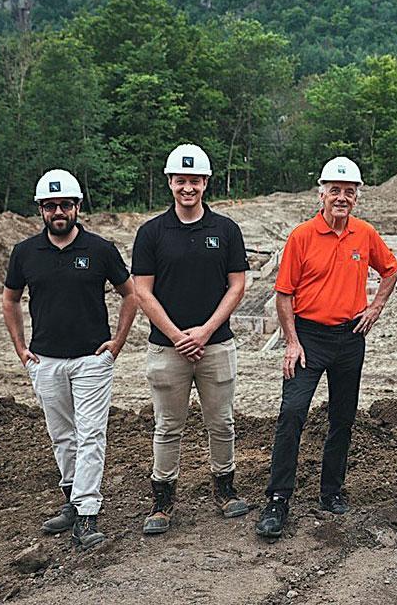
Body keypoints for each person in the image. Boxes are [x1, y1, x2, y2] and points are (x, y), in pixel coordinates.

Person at [255, 157, 397, 541]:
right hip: (309, 338)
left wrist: (376, 307)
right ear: (321, 193)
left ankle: (330, 491)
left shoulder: (364, 234)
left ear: (356, 197)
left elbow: (391, 269)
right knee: (292, 413)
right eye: (334, 190)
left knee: (343, 417)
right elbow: (283, 295)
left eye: (348, 192)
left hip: (349, 337)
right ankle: (278, 498)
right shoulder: (302, 236)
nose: (341, 198)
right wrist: (291, 342)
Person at [3, 169, 137, 549]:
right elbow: (10, 299)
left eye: (64, 205)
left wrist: (117, 342)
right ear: (41, 210)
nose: (57, 212)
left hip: (91, 360)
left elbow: (130, 295)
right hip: (46, 361)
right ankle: (71, 501)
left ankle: (88, 514)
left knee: (91, 433)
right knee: (62, 436)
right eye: (50, 206)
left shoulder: (100, 250)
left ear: (78, 207)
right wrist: (21, 348)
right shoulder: (25, 253)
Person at [131, 144, 250, 535]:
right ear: (170, 182)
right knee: (168, 426)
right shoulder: (151, 233)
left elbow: (237, 286)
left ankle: (225, 490)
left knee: (222, 423)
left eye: (195, 181)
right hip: (168, 349)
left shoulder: (226, 230)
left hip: (216, 345)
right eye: (181, 181)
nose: (188, 188)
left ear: (205, 183)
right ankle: (162, 502)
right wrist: (177, 336)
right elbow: (142, 291)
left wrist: (205, 331)